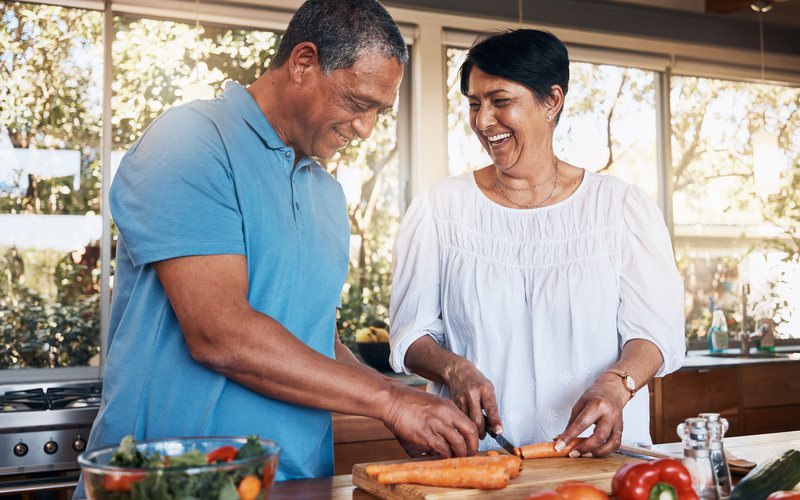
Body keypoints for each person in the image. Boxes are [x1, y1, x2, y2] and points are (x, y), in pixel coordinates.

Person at [82, 0, 478, 489]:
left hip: (297, 482)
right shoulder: (191, 142)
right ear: (304, 62)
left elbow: (315, 341)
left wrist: (401, 405)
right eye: (358, 103)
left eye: (379, 111)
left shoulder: (327, 195)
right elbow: (219, 333)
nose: (365, 128)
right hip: (172, 483)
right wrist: (391, 402)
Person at [389, 29, 685, 458]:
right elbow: (411, 334)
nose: (483, 121)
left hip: (596, 458)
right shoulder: (440, 209)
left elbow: (655, 333)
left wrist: (617, 384)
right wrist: (455, 369)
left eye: (500, 101)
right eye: (474, 104)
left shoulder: (620, 207)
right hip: (478, 461)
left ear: (552, 101)